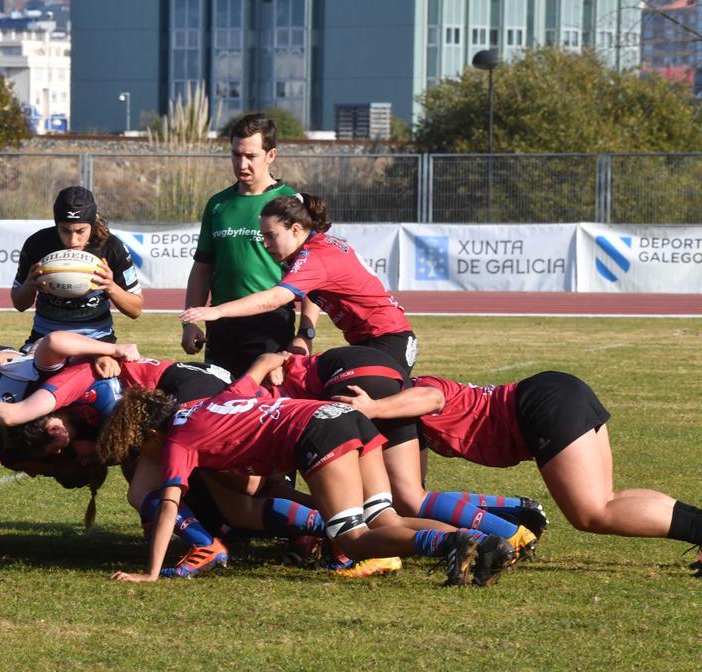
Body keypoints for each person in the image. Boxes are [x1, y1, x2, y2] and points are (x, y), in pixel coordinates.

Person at [104, 352, 514, 587]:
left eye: (140, 444)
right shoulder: (207, 403)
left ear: (149, 431)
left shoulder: (177, 438)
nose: (146, 454)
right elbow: (262, 363)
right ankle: (481, 541)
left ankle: (446, 546)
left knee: (352, 539)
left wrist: (151, 574)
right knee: (385, 518)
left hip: (318, 433)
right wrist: (282, 358)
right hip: (344, 415)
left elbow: (170, 508)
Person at [334, 370, 702, 575]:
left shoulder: (416, 390)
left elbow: (432, 398)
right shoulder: (407, 419)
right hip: (555, 391)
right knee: (607, 499)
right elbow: (413, 497)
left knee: (592, 513)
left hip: (539, 405)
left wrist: (374, 407)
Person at [264, 347, 542, 560]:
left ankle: (359, 557)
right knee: (407, 499)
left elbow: (274, 481)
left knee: (366, 508)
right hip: (381, 378)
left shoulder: (262, 398)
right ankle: (504, 535)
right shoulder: (285, 372)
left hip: (351, 385)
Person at [182, 192, 418, 375]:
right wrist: (305, 333)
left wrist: (216, 311)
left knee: (355, 406)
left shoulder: (315, 256)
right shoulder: (315, 248)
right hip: (379, 340)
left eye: (270, 235)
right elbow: (313, 294)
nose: (265, 244)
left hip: (388, 341)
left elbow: (274, 299)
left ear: (295, 229)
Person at [181, 112, 299, 377]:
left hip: (271, 324)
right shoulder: (218, 204)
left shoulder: (291, 202)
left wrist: (306, 333)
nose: (242, 163)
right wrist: (190, 323)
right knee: (219, 403)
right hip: (221, 324)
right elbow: (202, 268)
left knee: (266, 406)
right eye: (236, 154)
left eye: (251, 156)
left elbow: (313, 273)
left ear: (271, 155)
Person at [11, 185, 143, 350]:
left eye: (81, 231)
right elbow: (19, 304)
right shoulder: (37, 244)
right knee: (23, 375)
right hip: (44, 338)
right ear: (56, 223)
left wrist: (111, 287)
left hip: (98, 342)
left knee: (107, 374)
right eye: (65, 230)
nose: (73, 240)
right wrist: (29, 286)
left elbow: (136, 310)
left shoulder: (111, 247)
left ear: (92, 224)